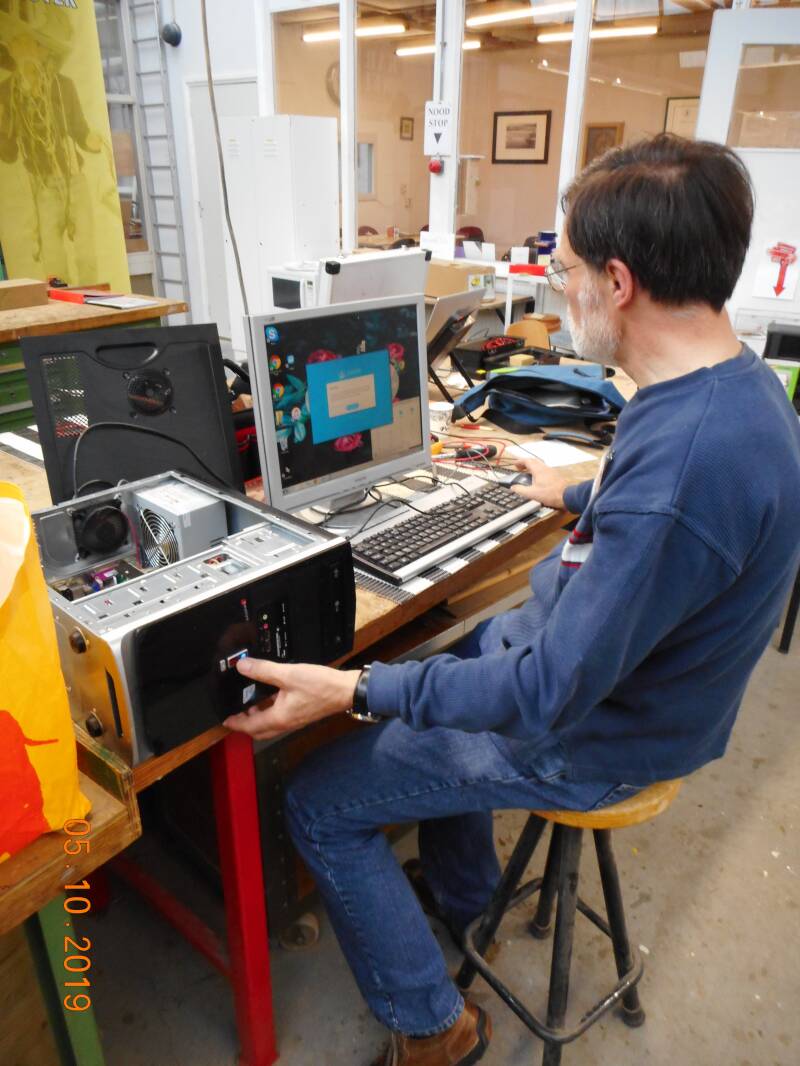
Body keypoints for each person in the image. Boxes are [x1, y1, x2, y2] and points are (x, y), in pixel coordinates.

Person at [224, 135, 800, 1066]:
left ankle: (435, 1028)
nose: (559, 290)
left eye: (564, 270)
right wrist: (572, 492)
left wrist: (350, 690)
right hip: (629, 691)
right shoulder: (738, 389)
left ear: (618, 283)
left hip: (599, 739)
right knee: (442, 662)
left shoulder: (680, 470)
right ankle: (467, 901)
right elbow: (666, 509)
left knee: (319, 795)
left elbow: (538, 694)